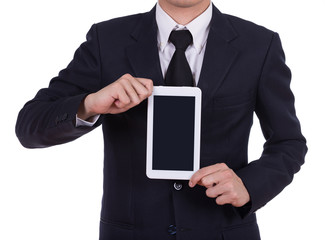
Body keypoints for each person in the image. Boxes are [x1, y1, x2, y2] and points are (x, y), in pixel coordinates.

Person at [15, 0, 307, 239]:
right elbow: (30, 126)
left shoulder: (259, 45)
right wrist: (90, 104)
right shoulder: (107, 40)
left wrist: (249, 185)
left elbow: (289, 142)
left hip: (223, 231)